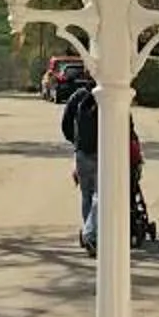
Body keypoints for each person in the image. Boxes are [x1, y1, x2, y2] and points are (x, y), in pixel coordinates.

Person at [59, 66, 101, 251]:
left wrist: (76, 141)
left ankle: (89, 234)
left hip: (82, 153)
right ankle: (90, 233)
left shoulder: (78, 96)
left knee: (86, 195)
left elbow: (65, 123)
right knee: (100, 195)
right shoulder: (109, 97)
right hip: (104, 152)